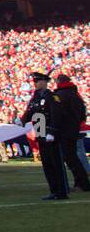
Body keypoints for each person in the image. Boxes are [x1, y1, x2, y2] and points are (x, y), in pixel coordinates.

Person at [22, 70, 68, 200]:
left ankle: (61, 191)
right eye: (35, 81)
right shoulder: (36, 96)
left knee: (55, 163)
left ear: (44, 82)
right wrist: (22, 120)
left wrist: (52, 131)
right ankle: (53, 190)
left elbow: (56, 114)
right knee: (47, 163)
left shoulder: (51, 96)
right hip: (40, 131)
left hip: (48, 131)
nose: (35, 84)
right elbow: (31, 111)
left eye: (38, 81)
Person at [52, 73, 90, 193]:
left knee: (70, 158)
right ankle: (81, 183)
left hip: (64, 131)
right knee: (73, 157)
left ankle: (82, 183)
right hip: (74, 130)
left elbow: (57, 114)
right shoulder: (75, 95)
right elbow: (82, 114)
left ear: (58, 82)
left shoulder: (60, 95)